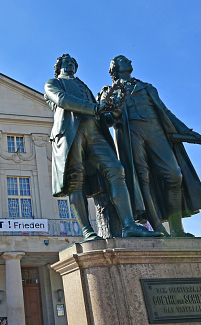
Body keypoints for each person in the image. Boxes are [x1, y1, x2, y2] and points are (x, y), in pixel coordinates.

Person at [44, 54, 162, 241]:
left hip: (95, 132)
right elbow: (62, 100)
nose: (69, 65)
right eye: (65, 63)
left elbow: (101, 116)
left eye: (73, 63)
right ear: (58, 67)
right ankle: (87, 231)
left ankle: (129, 225)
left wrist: (113, 113)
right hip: (70, 133)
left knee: (116, 170)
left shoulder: (84, 86)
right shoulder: (52, 83)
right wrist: (95, 108)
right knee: (76, 180)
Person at [100, 55, 201, 237]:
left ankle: (176, 228)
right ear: (115, 68)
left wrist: (187, 131)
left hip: (156, 131)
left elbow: (165, 112)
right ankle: (158, 229)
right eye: (124, 60)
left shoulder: (147, 87)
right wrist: (115, 113)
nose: (130, 62)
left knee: (174, 175)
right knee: (143, 180)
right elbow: (105, 120)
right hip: (131, 133)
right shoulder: (109, 91)